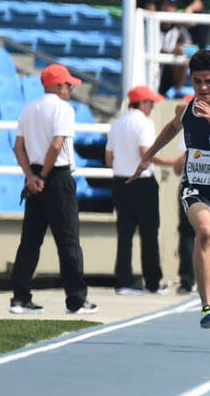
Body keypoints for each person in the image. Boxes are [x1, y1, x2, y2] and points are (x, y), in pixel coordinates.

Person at [130, 49, 210, 329]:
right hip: (195, 188)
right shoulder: (184, 109)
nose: (202, 88)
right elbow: (171, 129)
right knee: (205, 233)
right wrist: (147, 156)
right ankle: (206, 306)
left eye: (208, 81)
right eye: (197, 82)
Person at [10, 63, 96, 315]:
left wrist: (31, 177)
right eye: (68, 85)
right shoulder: (63, 109)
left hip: (35, 175)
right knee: (68, 240)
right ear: (59, 86)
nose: (70, 89)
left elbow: (18, 148)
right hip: (56, 177)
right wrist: (44, 176)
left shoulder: (29, 109)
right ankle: (76, 299)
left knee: (30, 241)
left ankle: (20, 297)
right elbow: (57, 145)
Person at [107, 85, 169, 294]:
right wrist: (171, 162)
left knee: (124, 234)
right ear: (142, 103)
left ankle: (123, 281)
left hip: (119, 181)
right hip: (142, 182)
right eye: (150, 102)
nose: (152, 106)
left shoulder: (117, 124)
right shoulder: (144, 123)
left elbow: (109, 159)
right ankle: (153, 281)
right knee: (149, 233)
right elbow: (146, 152)